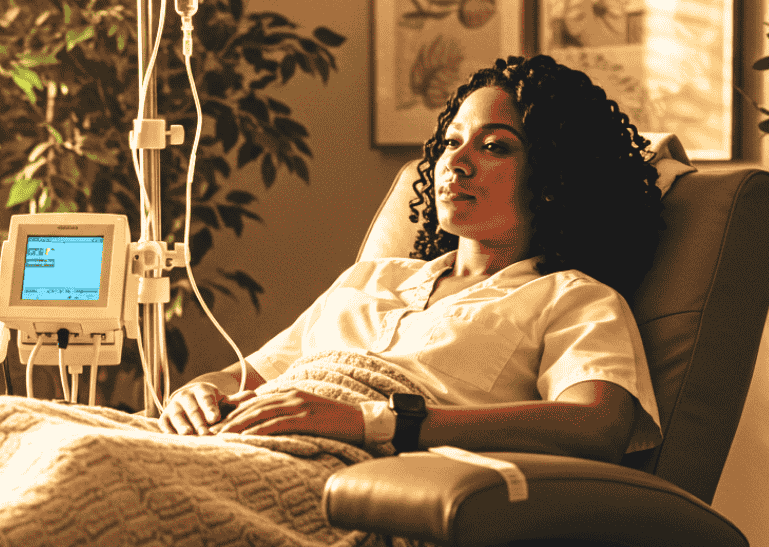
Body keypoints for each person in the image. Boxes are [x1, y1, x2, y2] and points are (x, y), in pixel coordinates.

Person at [156, 53, 666, 463]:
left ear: (556, 177)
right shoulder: (373, 277)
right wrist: (198, 393)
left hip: (333, 473)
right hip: (236, 441)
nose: (456, 163)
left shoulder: (570, 297)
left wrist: (370, 421)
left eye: (493, 147)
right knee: (75, 430)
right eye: (451, 142)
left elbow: (597, 426)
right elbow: (246, 377)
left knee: (93, 470)